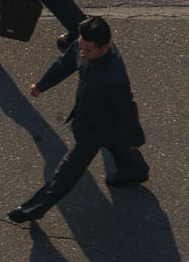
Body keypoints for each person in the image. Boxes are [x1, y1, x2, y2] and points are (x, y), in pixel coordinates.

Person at [8, 15, 149, 223]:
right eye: (80, 45)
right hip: (99, 121)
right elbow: (64, 64)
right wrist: (42, 85)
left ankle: (32, 210)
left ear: (105, 45)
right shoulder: (85, 45)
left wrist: (136, 139)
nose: (81, 51)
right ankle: (136, 171)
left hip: (95, 128)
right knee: (117, 144)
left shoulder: (114, 77)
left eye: (88, 50)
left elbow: (127, 109)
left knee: (67, 172)